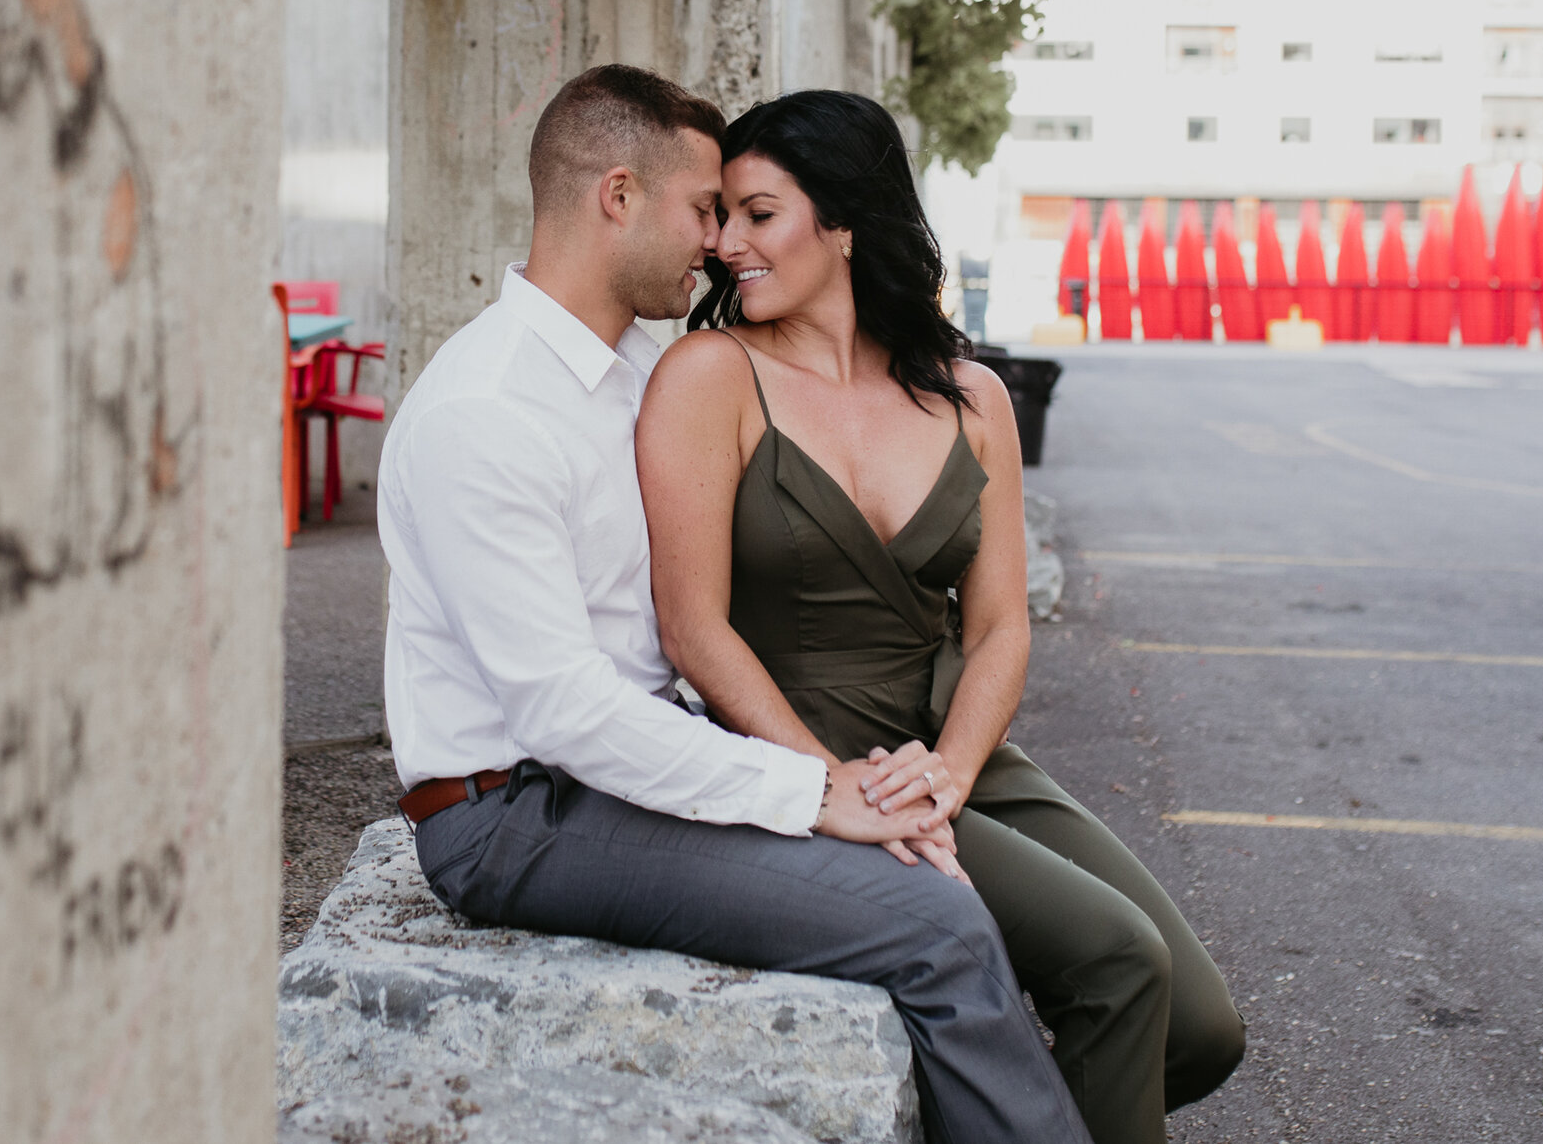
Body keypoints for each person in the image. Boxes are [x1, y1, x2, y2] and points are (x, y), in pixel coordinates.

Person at [380, 65, 1090, 1144]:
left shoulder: (625, 374)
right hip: (512, 813)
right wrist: (813, 790)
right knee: (936, 925)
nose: (717, 241)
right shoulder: (487, 409)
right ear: (618, 194)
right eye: (706, 207)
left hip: (612, 777)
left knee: (1009, 920)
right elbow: (564, 709)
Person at [637, 90, 1244, 1144]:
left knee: (1201, 1028)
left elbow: (1001, 624)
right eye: (721, 214)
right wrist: (836, 787)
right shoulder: (710, 376)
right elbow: (694, 630)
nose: (723, 242)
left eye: (757, 213)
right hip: (824, 755)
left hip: (954, 755)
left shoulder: (971, 397)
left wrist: (953, 773)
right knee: (1116, 960)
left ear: (843, 223)